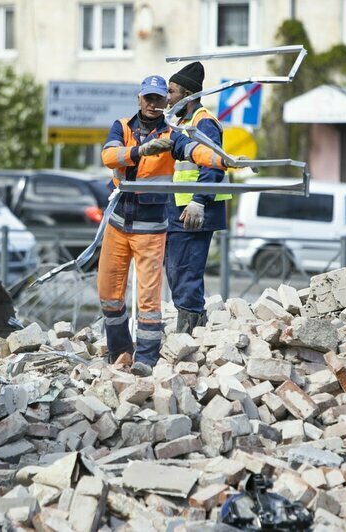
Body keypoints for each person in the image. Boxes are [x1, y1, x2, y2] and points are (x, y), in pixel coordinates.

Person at [99, 74, 241, 377]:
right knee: (110, 294)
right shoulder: (122, 127)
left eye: (159, 98)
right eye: (147, 98)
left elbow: (195, 152)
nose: (153, 103)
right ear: (139, 99)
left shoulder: (172, 134)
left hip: (151, 227)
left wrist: (222, 160)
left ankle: (146, 360)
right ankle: (120, 352)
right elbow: (110, 157)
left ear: (167, 101)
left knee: (150, 299)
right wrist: (140, 151)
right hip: (118, 223)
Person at [165, 62, 232, 334]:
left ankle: (190, 327)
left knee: (187, 269)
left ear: (188, 94)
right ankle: (191, 321)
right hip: (180, 207)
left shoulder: (203, 122)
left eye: (171, 92)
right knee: (176, 269)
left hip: (196, 209)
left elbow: (213, 163)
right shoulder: (181, 123)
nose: (167, 98)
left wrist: (199, 200)